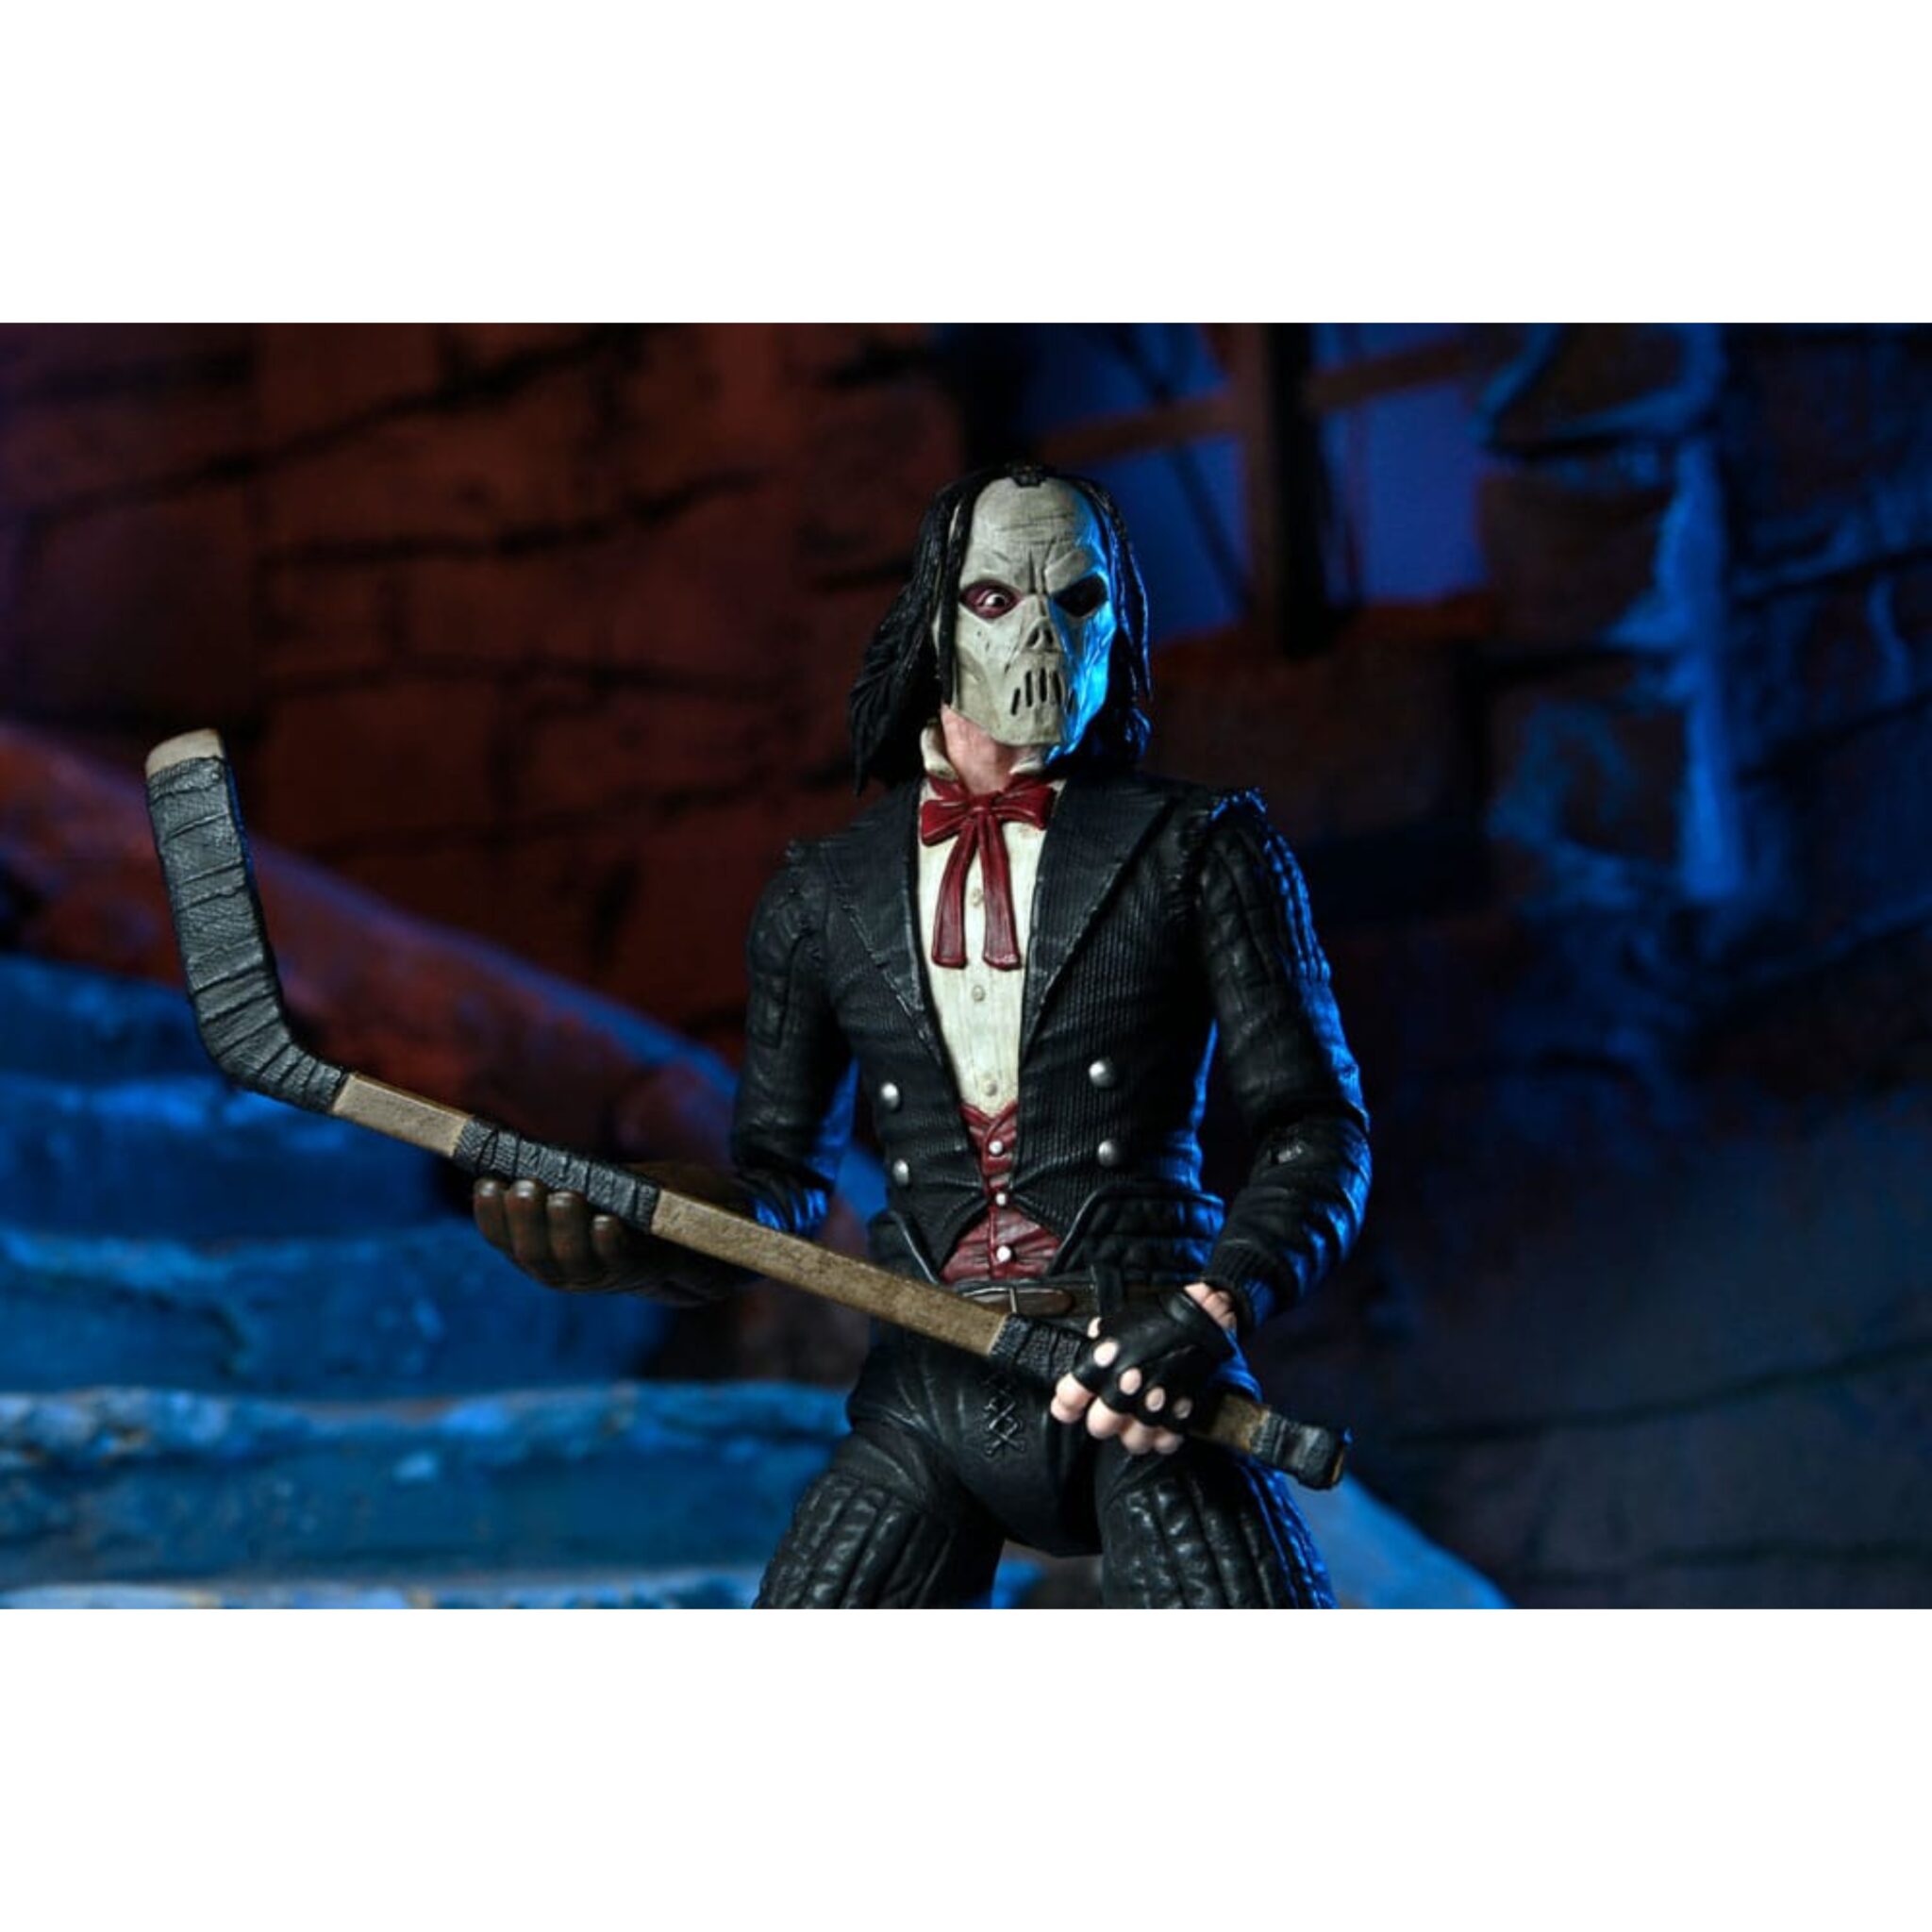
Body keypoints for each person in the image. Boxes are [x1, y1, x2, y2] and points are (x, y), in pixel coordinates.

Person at [474, 463, 1372, 1607]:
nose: (1042, 635)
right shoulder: (824, 891)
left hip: (1143, 1375)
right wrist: (650, 1238)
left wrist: (1208, 1309)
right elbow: (784, 1184)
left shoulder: (1203, 848)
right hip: (926, 1392)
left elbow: (1317, 1128)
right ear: (935, 624)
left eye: (1078, 599)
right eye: (997, 598)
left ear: (1120, 620)